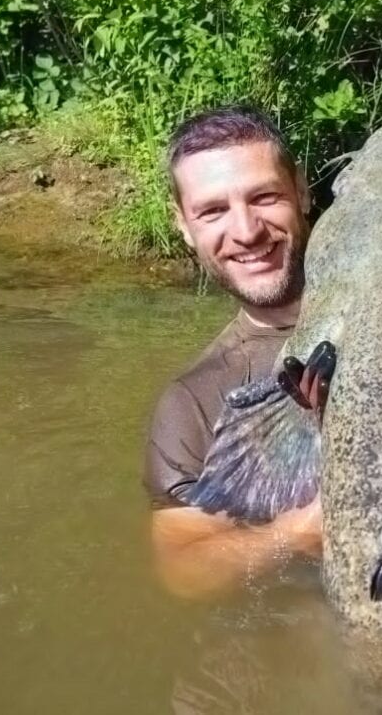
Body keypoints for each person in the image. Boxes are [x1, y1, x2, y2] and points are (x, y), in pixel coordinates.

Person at [144, 105, 323, 600]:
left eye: (263, 197)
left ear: (302, 191)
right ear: (183, 225)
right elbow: (184, 569)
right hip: (306, 641)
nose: (246, 231)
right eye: (213, 210)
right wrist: (296, 534)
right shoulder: (193, 401)